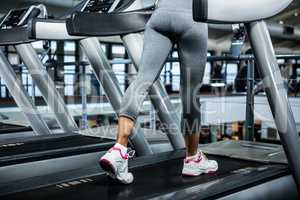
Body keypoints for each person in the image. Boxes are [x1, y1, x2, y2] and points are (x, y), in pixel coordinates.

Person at [100, 0, 218, 184]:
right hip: (192, 16)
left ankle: (118, 149)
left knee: (142, 80)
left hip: (160, 16)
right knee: (190, 94)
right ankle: (193, 158)